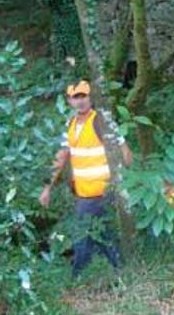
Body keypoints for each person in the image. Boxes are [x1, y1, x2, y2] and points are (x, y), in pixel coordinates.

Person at [39, 80, 133, 277]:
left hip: (104, 191)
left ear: (90, 98)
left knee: (82, 233)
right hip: (83, 193)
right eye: (76, 97)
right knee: (101, 233)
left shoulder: (101, 121)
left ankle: (78, 275)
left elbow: (124, 150)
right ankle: (119, 270)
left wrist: (128, 181)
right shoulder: (70, 125)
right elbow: (61, 157)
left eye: (84, 96)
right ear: (69, 101)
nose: (80, 101)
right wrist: (47, 186)